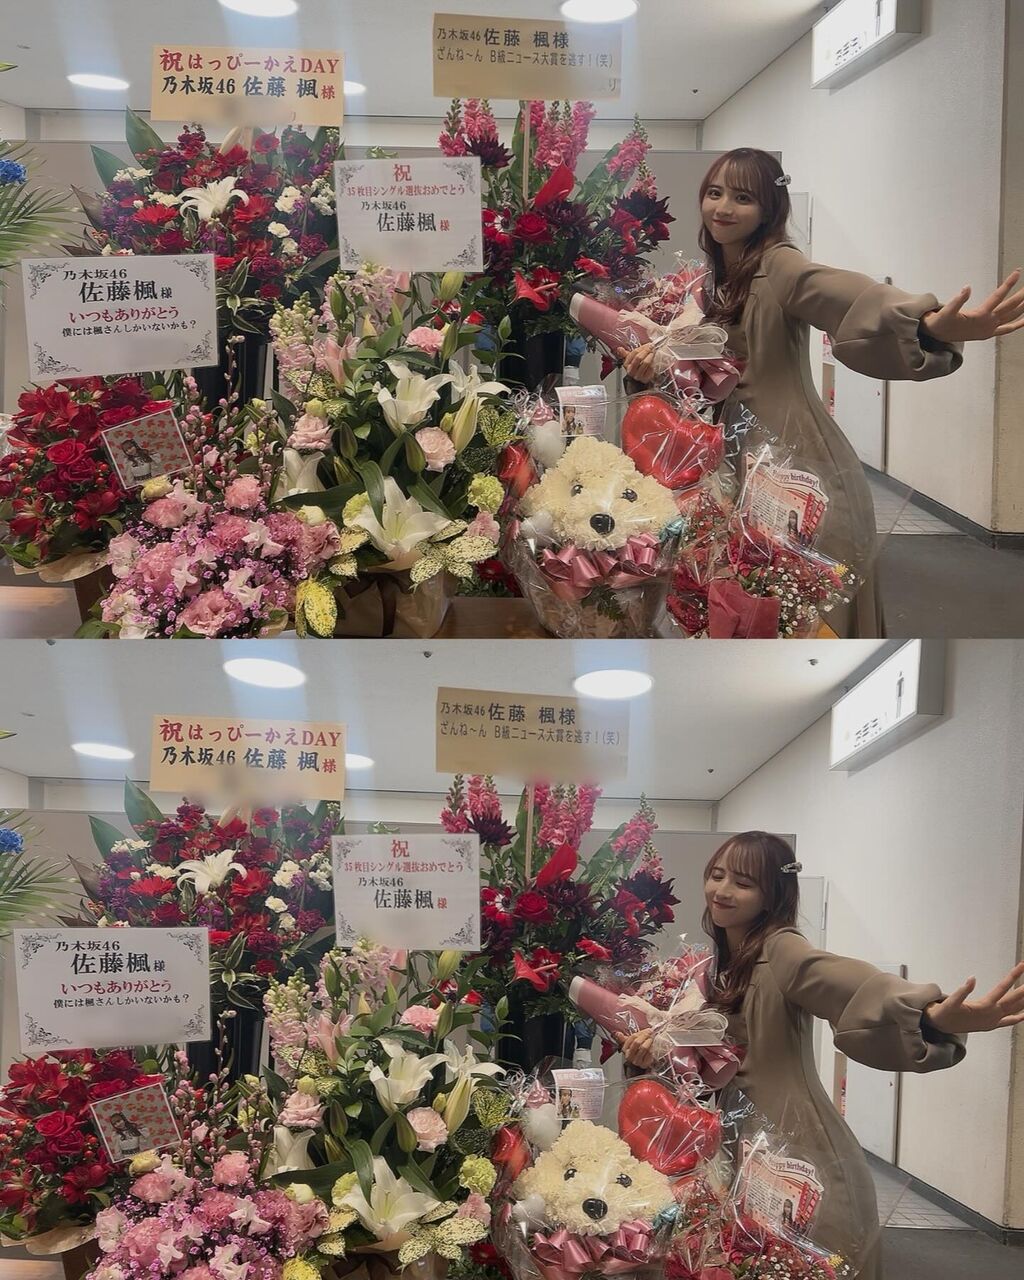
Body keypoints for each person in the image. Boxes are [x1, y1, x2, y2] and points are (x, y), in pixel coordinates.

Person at [619, 148, 1024, 636]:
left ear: (769, 208)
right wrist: (650, 367)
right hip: (730, 453)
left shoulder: (779, 265)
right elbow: (702, 378)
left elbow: (850, 295)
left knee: (802, 606)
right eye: (715, 193)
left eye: (743, 197)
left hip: (794, 460)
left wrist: (930, 324)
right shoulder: (712, 279)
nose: (723, 207)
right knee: (735, 592)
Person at [619, 832, 1024, 1280]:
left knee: (804, 1262)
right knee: (736, 1259)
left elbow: (850, 982)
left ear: (773, 894)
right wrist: (651, 1048)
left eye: (743, 883)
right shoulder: (719, 962)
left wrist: (930, 1014)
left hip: (792, 1140)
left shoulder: (781, 947)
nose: (723, 890)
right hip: (734, 1133)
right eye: (717, 876)